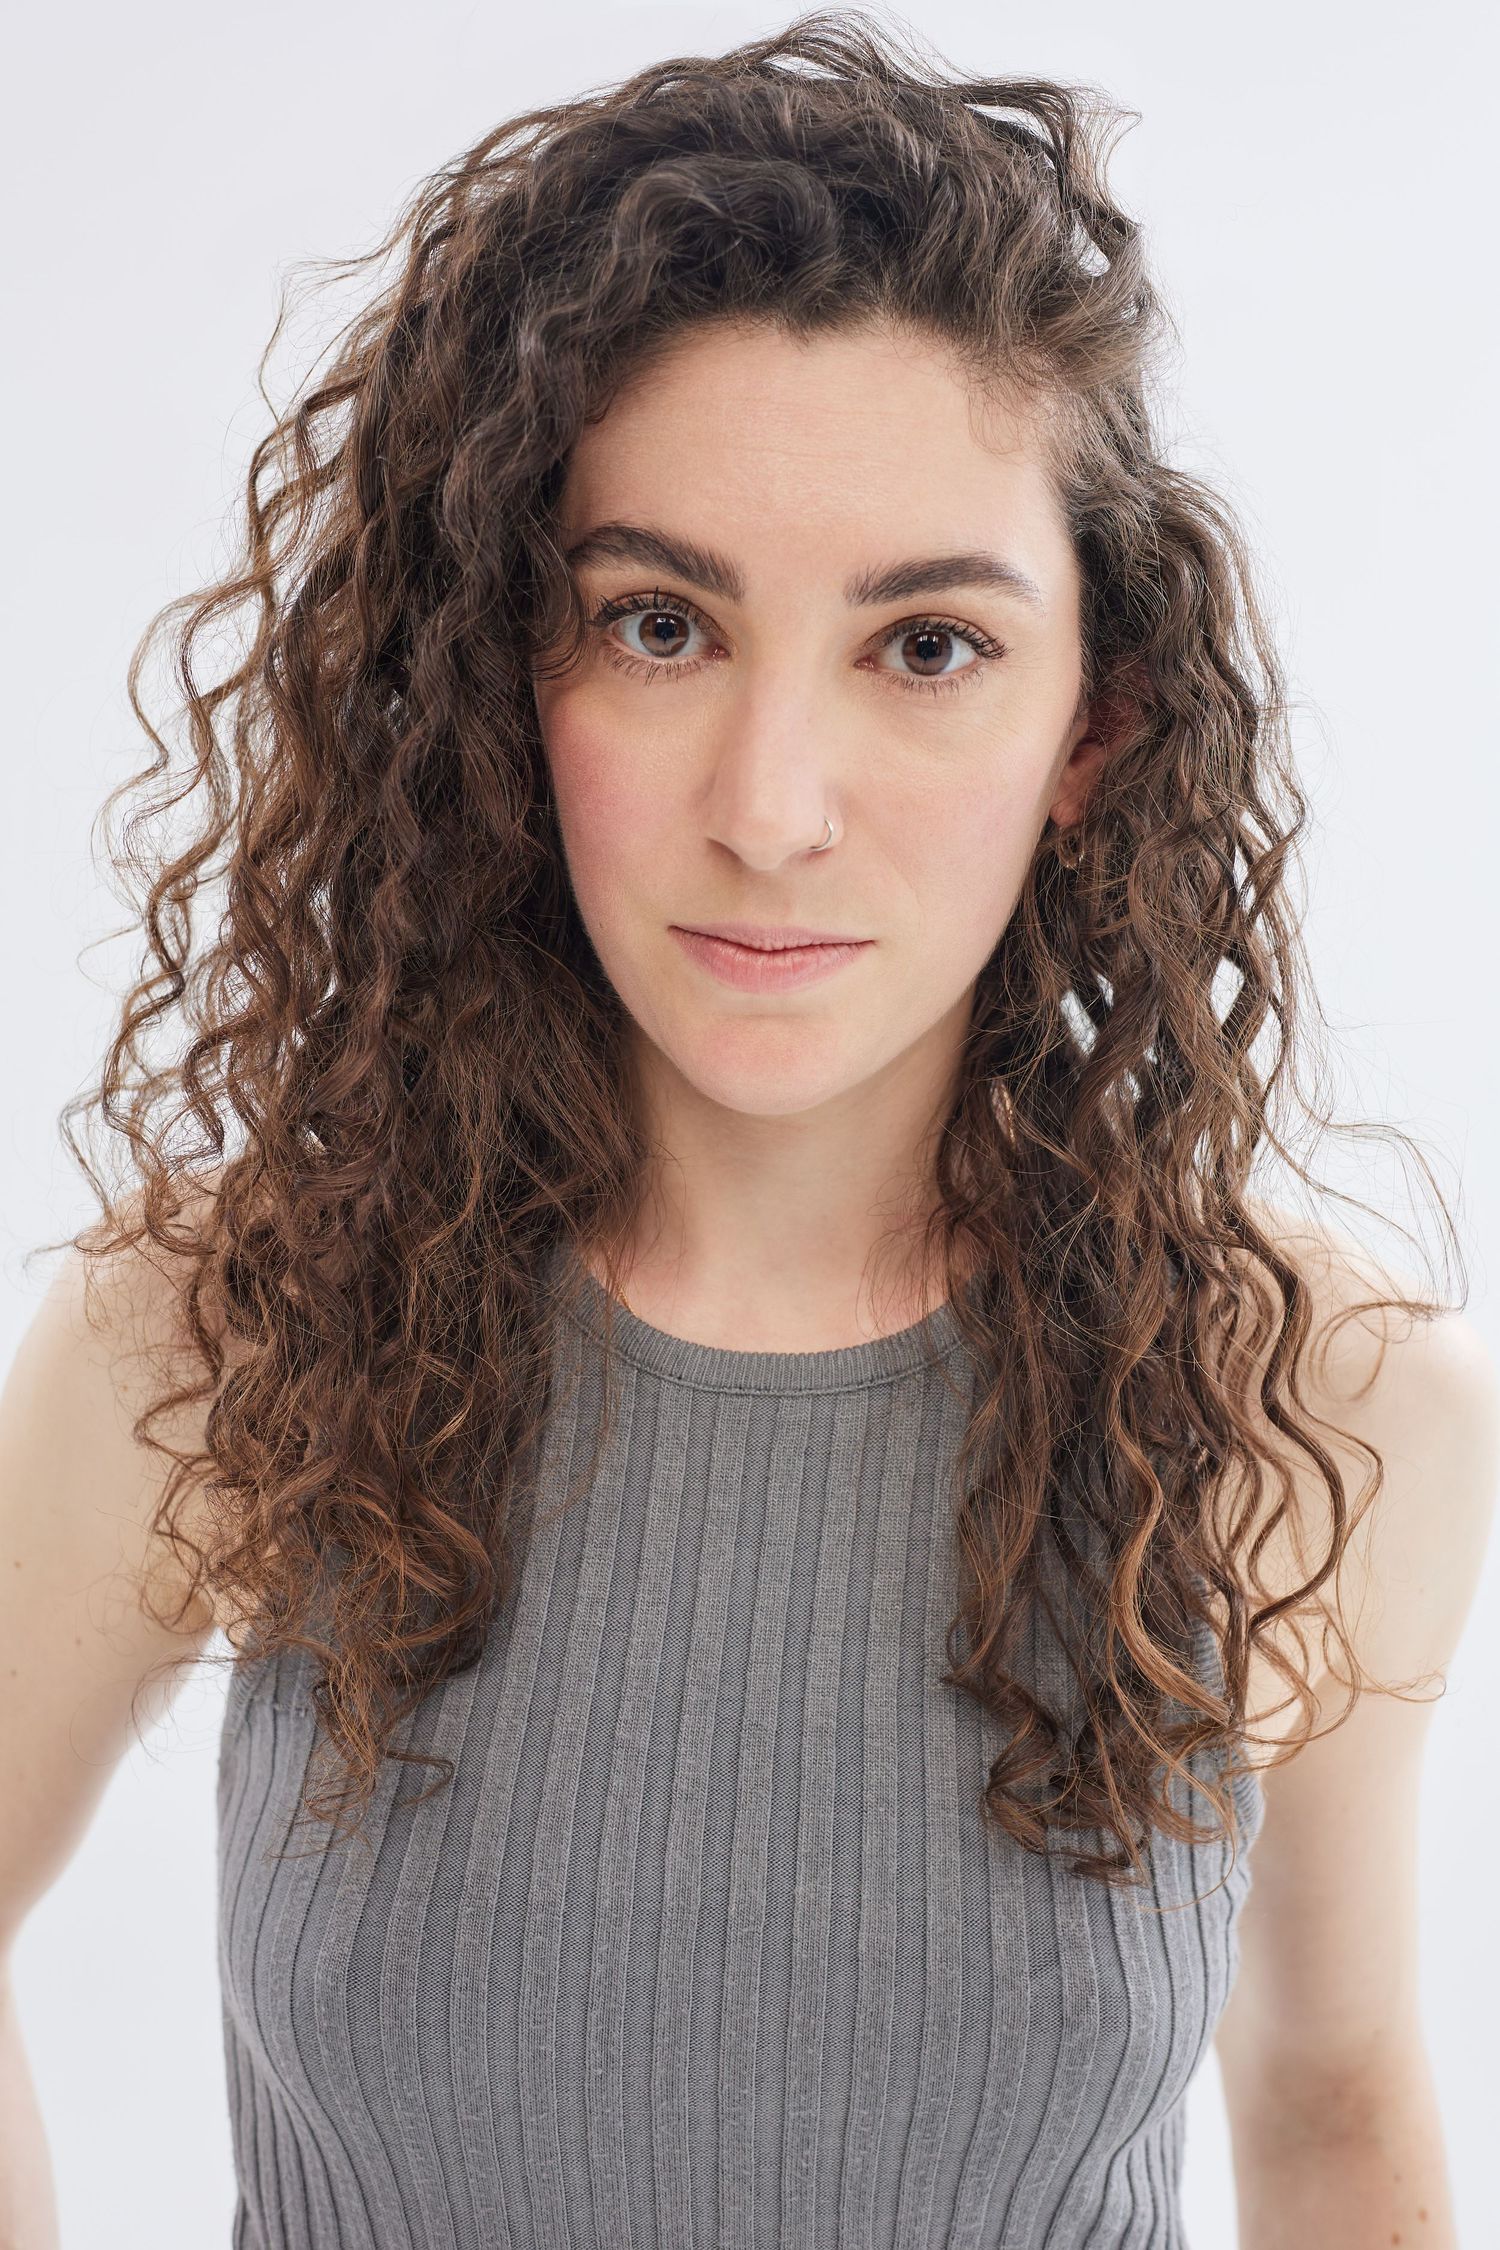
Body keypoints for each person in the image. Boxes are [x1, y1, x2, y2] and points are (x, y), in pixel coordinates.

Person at [1, 11, 1494, 2248]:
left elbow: (1343, 2110)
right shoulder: (227, 1333)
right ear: (506, 676)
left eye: (925, 651)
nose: (770, 813)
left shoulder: (1320, 1399)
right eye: (660, 623)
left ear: (1101, 725)